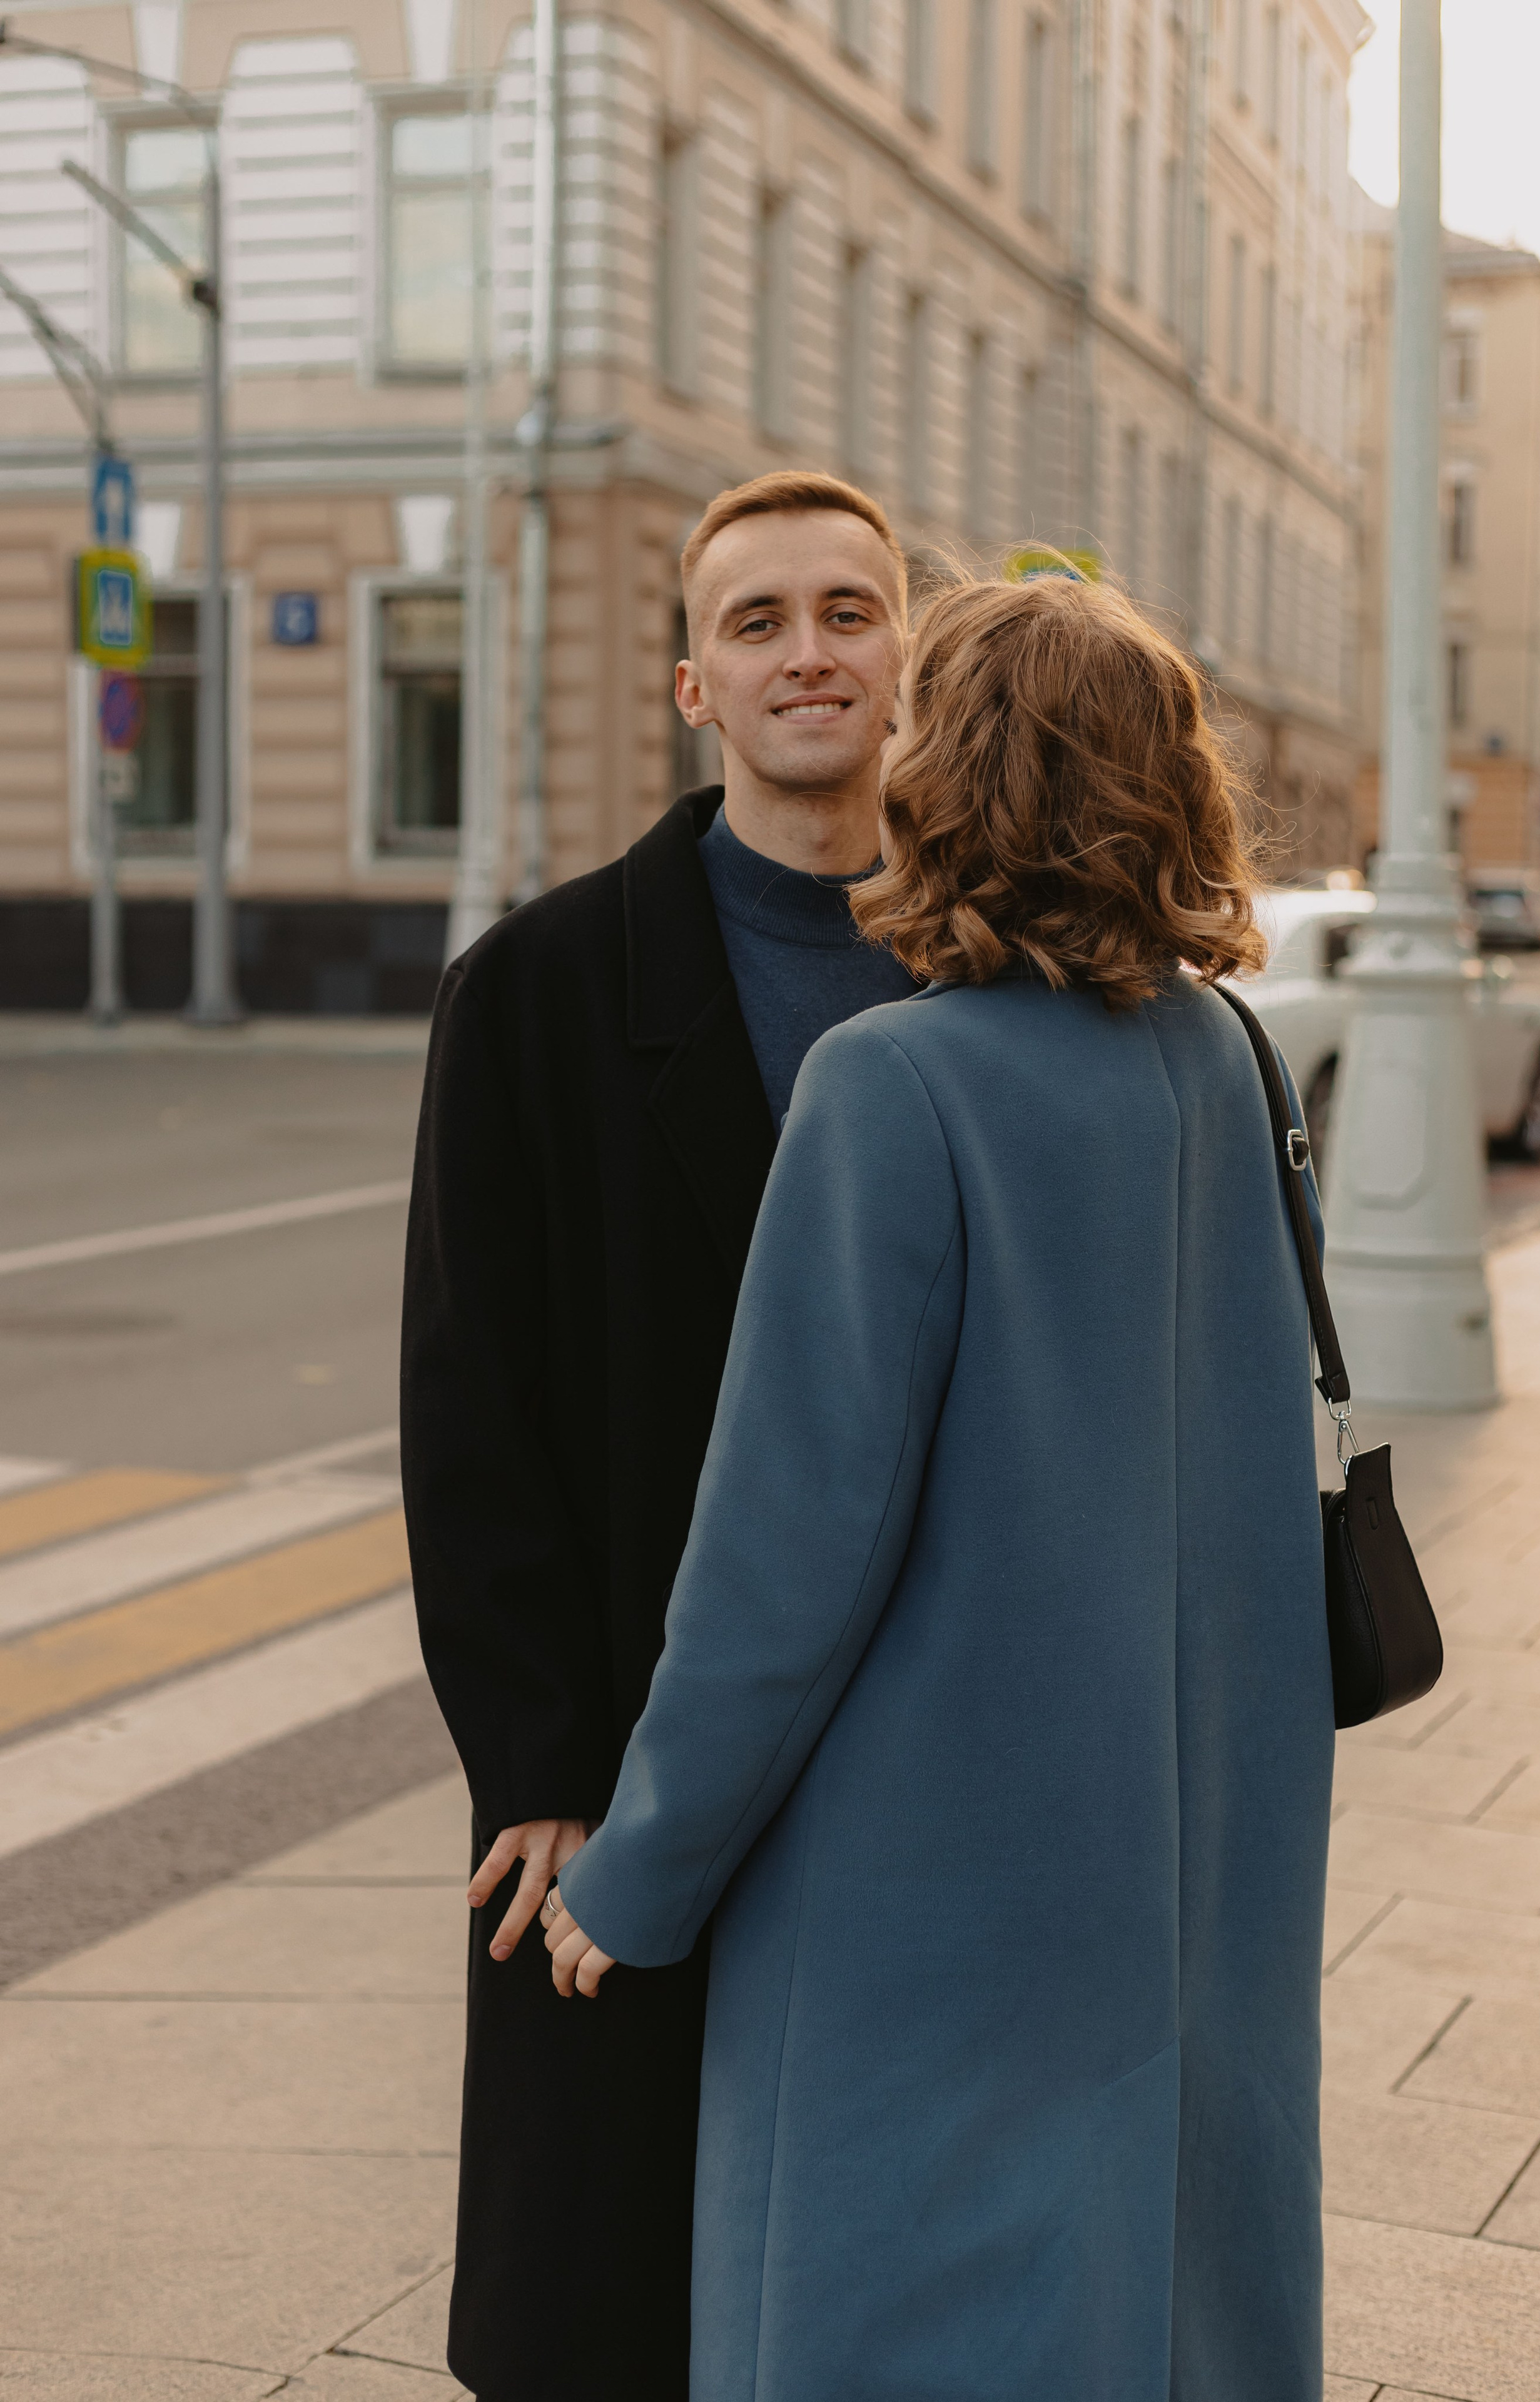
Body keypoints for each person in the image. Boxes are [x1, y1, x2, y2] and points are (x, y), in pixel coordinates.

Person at [545, 570, 1336, 2401]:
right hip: (1196, 1841)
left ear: (951, 774)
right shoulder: (1228, 1059)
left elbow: (781, 1562)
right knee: (1163, 2294)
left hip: (933, 1885)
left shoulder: (890, 1085)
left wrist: (641, 1874)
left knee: (899, 2313)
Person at [400, 470, 916, 2401]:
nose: (807, 653)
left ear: (907, 655)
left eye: (848, 612)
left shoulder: (991, 969)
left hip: (922, 1750)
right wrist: (537, 1761)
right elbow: (471, 1410)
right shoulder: (533, 993)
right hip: (623, 1743)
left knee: (878, 2273)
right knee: (609, 2281)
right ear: (692, 685)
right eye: (758, 621)